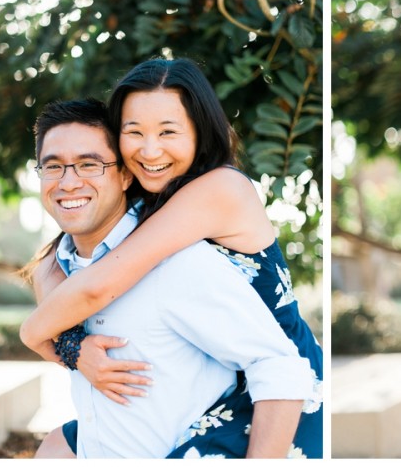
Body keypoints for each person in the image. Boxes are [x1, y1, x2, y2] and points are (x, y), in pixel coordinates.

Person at [20, 58, 323, 458]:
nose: (149, 149)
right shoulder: (152, 196)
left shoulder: (219, 189)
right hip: (227, 377)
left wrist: (33, 335)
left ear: (200, 131)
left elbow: (99, 285)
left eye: (168, 131)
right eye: (133, 132)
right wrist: (75, 346)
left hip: (278, 387)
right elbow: (52, 265)